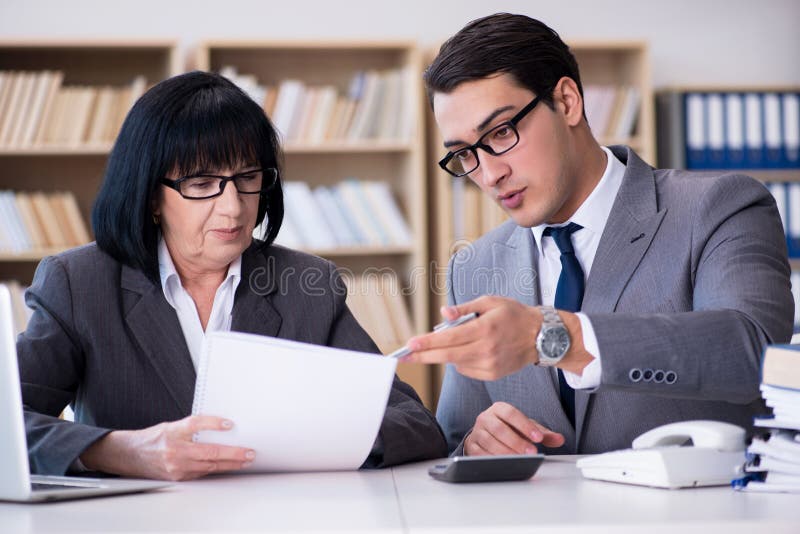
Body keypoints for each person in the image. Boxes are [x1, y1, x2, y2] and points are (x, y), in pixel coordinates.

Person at [18, 71, 446, 480]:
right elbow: (10, 424)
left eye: (247, 177)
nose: (234, 206)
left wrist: (308, 434)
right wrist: (121, 451)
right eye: (202, 184)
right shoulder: (78, 284)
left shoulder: (306, 284)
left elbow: (415, 424)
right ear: (151, 196)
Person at [404, 13, 794, 456]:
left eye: (501, 132)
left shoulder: (718, 207)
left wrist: (552, 336)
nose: (490, 174)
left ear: (567, 101)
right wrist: (476, 444)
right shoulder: (474, 266)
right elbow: (454, 440)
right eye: (464, 154)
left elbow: (752, 353)